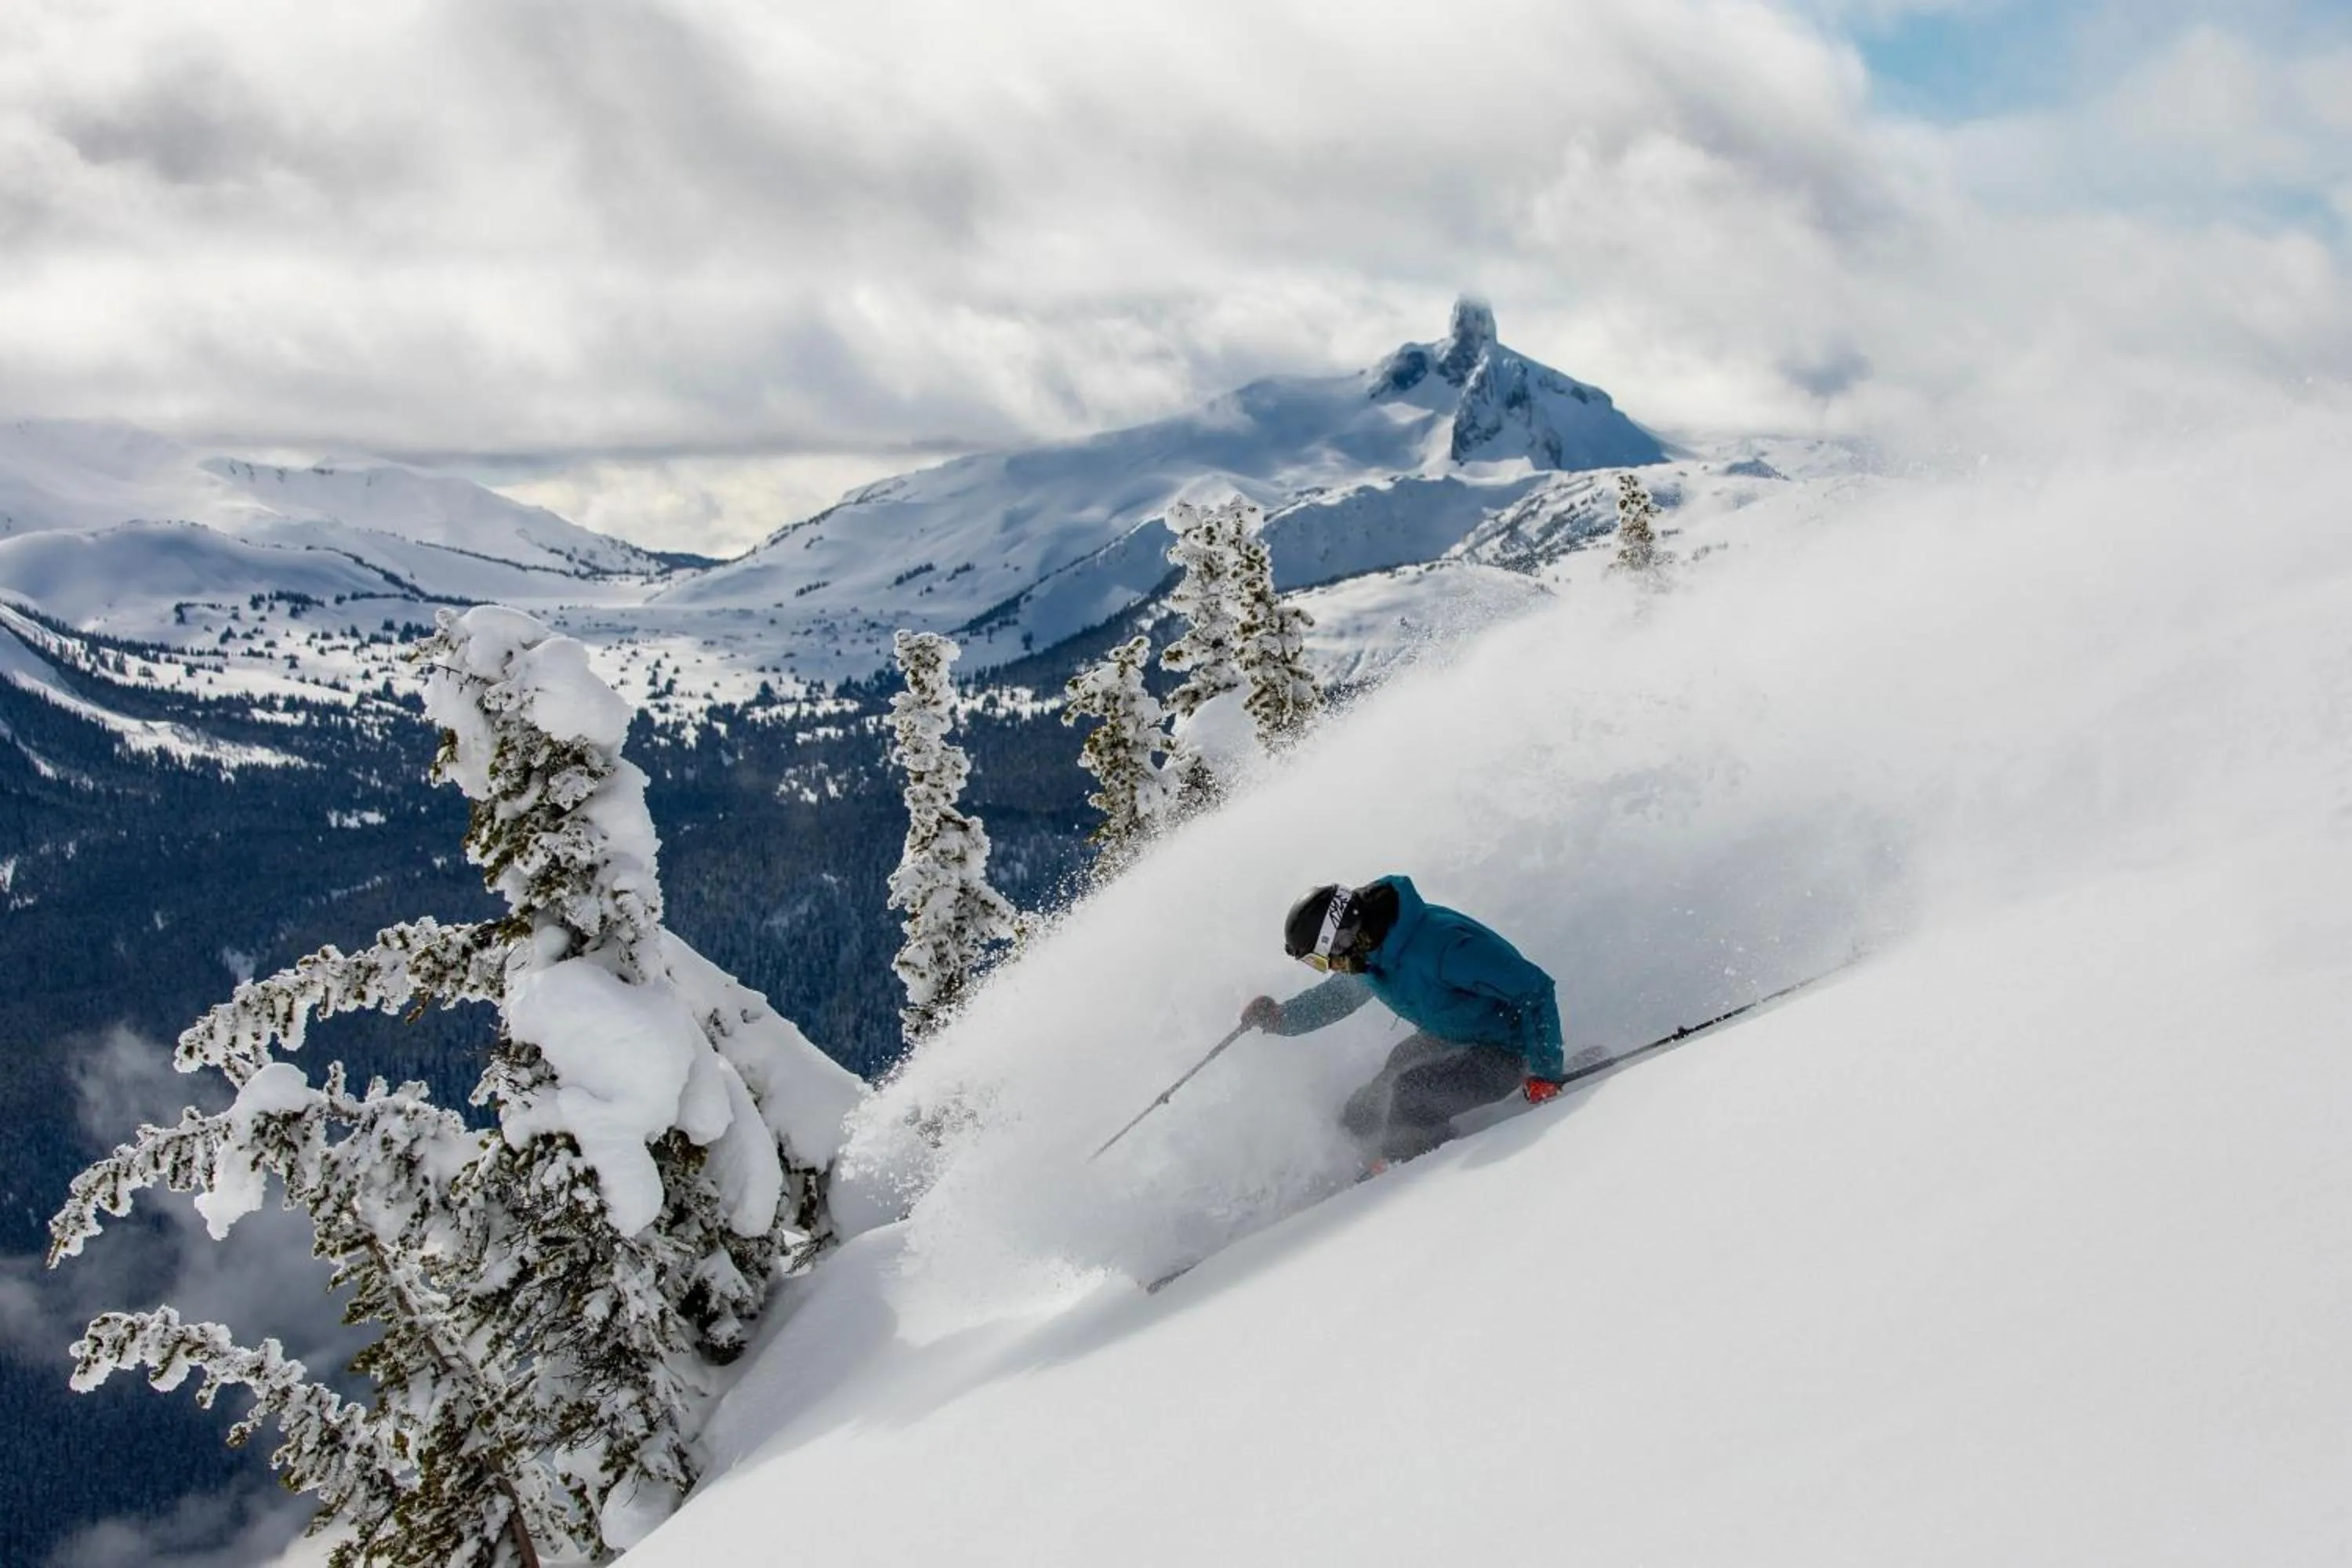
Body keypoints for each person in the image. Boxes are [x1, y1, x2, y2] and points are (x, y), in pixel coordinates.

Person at [1242, 876, 1570, 1167]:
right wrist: (1281, 1019)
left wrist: (1546, 1071)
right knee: (1363, 1109)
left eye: (1324, 958)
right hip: (1454, 1036)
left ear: (1344, 937)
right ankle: (1363, 1159)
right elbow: (1338, 998)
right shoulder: (1371, 955)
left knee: (1409, 1097)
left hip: (1509, 1052)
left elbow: (1534, 989)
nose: (1331, 968)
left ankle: (1406, 1177)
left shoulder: (1442, 947)